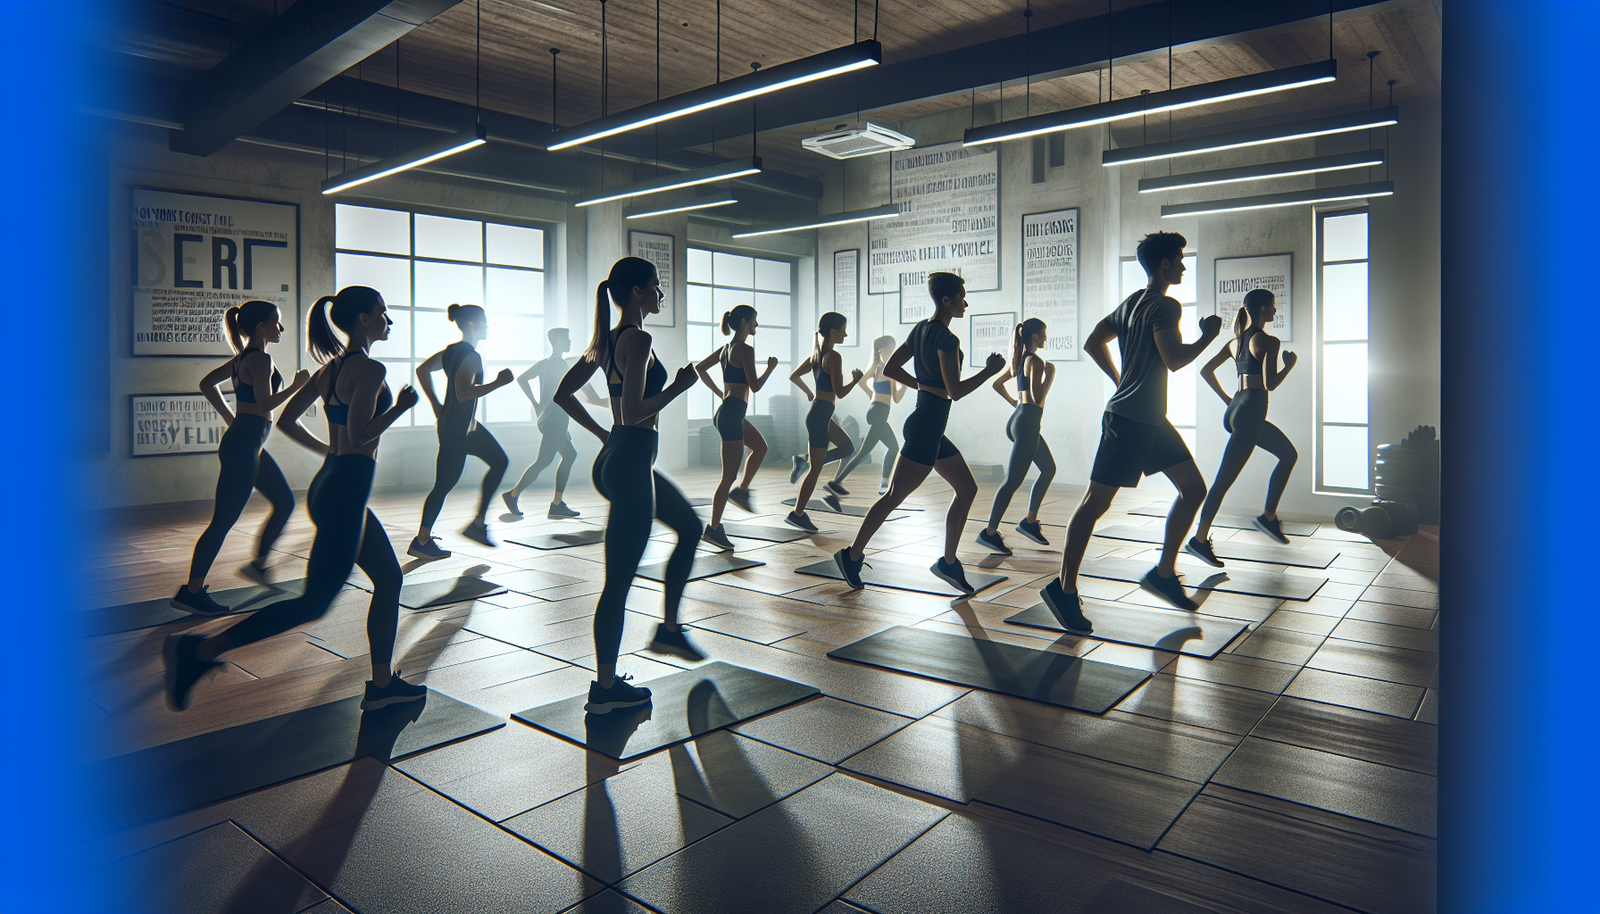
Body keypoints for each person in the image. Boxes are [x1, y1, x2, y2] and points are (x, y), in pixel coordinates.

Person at [163, 286, 424, 712]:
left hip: (333, 485)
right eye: (383, 312)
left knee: (389, 579)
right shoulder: (370, 369)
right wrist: (401, 407)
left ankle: (382, 684)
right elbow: (360, 434)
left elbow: (286, 421)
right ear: (363, 319)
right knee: (313, 603)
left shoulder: (329, 370)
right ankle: (199, 650)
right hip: (346, 491)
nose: (388, 320)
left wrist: (331, 453)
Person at [1034, 232, 1222, 631]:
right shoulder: (1165, 305)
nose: (1184, 266)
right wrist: (1208, 335)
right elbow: (1174, 359)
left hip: (1150, 419)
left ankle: (1164, 574)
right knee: (1094, 503)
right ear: (1164, 264)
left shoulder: (1132, 303)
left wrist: (1119, 379)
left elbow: (1093, 342)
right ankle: (1063, 589)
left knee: (1193, 489)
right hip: (1130, 421)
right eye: (1179, 259)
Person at [552, 257, 705, 714]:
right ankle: (605, 688)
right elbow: (637, 410)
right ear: (637, 291)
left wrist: (606, 435)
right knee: (618, 581)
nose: (661, 294)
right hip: (631, 460)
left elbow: (563, 394)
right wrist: (680, 386)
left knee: (690, 527)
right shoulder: (637, 338)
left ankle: (670, 630)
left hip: (620, 456)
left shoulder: (609, 340)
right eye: (656, 286)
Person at [831, 273, 1006, 593]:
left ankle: (948, 563)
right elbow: (955, 392)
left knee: (967, 489)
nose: (965, 303)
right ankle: (851, 556)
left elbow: (892, 368)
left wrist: (923, 386)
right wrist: (988, 371)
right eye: (962, 297)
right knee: (893, 497)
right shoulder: (947, 339)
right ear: (947, 300)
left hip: (929, 427)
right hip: (926, 428)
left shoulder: (921, 329)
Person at [170, 301, 309, 615]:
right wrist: (296, 387)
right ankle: (191, 591)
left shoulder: (243, 359)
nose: (281, 328)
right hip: (244, 445)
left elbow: (207, 384)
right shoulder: (259, 358)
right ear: (261, 326)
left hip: (248, 443)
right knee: (222, 521)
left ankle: (259, 564)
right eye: (276, 322)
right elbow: (265, 403)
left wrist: (230, 419)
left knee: (284, 501)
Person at [1186, 288, 1299, 563]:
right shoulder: (1268, 341)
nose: (1275, 310)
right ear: (1262, 309)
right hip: (1252, 411)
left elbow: (1205, 370)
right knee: (1223, 481)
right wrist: (1289, 365)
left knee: (1288, 454)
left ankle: (1268, 516)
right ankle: (1198, 540)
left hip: (1238, 408)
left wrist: (1229, 400)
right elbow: (1271, 383)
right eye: (1272, 305)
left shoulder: (1235, 342)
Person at [410, 304, 514, 558]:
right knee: (443, 485)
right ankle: (422, 541)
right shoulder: (471, 355)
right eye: (484, 321)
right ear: (471, 324)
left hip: (464, 427)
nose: (487, 326)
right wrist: (498, 383)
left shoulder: (451, 352)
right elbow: (464, 393)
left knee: (499, 461)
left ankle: (477, 524)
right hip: (456, 430)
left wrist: (436, 404)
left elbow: (422, 370)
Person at [693, 304, 779, 550]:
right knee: (728, 476)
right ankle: (713, 529)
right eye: (754, 320)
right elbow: (755, 386)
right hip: (731, 414)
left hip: (729, 411)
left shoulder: (725, 349)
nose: (756, 325)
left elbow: (700, 368)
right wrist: (771, 368)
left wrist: (720, 393)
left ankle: (741, 491)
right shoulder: (745, 350)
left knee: (760, 447)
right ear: (743, 322)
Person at [503, 327, 607, 520]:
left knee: (547, 460)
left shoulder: (544, 363)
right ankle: (554, 503)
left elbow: (522, 379)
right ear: (557, 341)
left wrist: (536, 404)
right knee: (565, 456)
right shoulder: (560, 365)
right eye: (566, 338)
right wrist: (603, 401)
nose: (569, 341)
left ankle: (516, 496)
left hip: (549, 419)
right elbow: (584, 392)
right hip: (555, 420)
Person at [976, 318, 1057, 555]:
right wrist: (1050, 376)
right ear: (1034, 337)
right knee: (1012, 481)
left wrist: (1015, 403)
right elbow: (1038, 398)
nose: (1045, 338)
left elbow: (997, 384)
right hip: (1028, 422)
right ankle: (989, 533)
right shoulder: (1036, 362)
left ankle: (1029, 522)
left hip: (1019, 419)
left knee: (1048, 469)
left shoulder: (1020, 361)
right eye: (1043, 334)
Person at [785, 312, 864, 532]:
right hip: (820, 415)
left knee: (847, 447)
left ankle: (803, 461)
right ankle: (797, 514)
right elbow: (841, 392)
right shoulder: (833, 356)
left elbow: (793, 376)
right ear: (833, 331)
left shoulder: (817, 355)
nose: (845, 334)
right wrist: (856, 380)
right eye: (843, 330)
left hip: (820, 413)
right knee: (815, 471)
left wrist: (809, 393)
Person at [832, 335, 906, 497]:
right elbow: (894, 397)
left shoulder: (882, 367)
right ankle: (836, 482)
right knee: (863, 452)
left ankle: (884, 483)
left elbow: (864, 383)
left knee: (893, 447)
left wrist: (873, 394)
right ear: (885, 349)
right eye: (892, 348)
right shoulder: (886, 368)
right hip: (879, 412)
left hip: (877, 410)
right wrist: (903, 386)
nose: (894, 351)